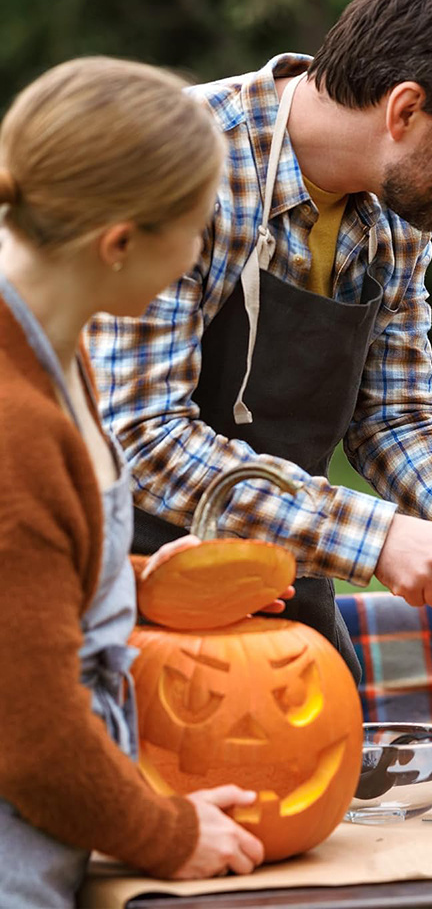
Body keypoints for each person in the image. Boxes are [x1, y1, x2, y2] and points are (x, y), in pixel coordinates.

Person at [85, 0, 432, 680]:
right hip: (114, 591)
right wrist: (375, 535)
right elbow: (140, 436)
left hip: (283, 576)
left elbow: (397, 414)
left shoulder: (399, 216)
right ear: (406, 109)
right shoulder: (172, 162)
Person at [0, 57, 271, 906]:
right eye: (194, 231)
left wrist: (138, 580)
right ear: (117, 244)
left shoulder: (56, 342)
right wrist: (166, 832)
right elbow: (34, 742)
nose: (201, 253)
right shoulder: (13, 427)